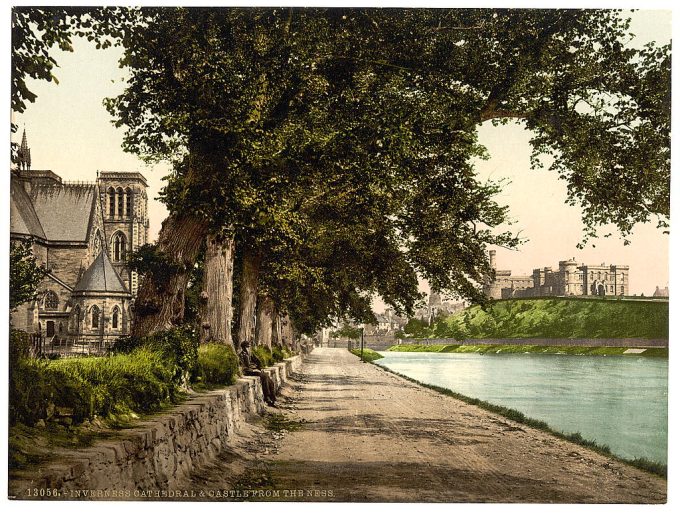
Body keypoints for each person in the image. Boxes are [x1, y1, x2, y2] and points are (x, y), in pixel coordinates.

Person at [239, 340, 277, 407]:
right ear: (243, 348)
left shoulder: (251, 354)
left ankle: (273, 398)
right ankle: (267, 397)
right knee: (264, 376)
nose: (247, 348)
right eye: (246, 347)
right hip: (249, 371)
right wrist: (253, 370)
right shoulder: (241, 355)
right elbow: (243, 367)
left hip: (255, 370)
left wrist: (260, 368)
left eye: (248, 347)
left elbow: (258, 361)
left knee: (270, 381)